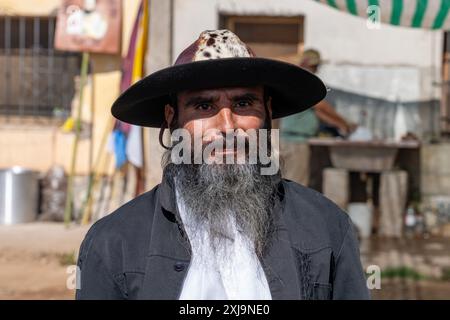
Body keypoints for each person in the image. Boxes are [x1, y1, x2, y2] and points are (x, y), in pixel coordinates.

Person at [75, 30, 370, 300]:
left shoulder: (327, 227)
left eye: (243, 104)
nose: (227, 126)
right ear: (171, 119)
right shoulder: (114, 243)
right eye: (204, 106)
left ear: (267, 113)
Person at [280, 49, 355, 186]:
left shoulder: (295, 80)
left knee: (290, 182)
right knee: (297, 185)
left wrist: (340, 124)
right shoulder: (303, 81)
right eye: (314, 66)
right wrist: (344, 122)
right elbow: (321, 106)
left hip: (291, 140)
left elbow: (317, 112)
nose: (316, 70)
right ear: (306, 64)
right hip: (296, 141)